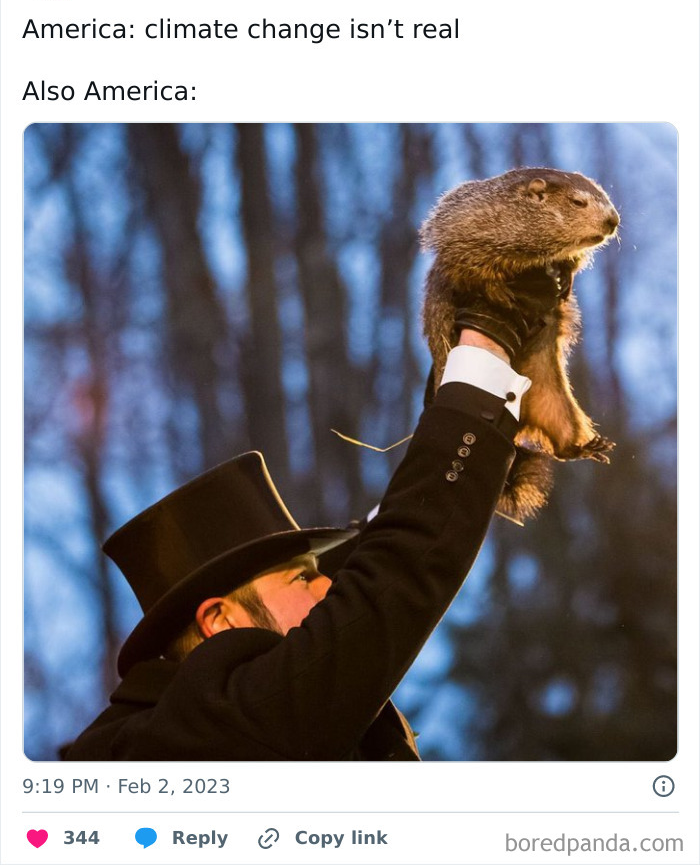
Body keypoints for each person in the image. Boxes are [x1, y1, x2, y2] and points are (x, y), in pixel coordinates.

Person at [64, 274, 561, 761]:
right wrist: (484, 350)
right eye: (303, 577)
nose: (327, 588)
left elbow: (367, 562)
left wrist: (466, 442)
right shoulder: (199, 736)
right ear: (221, 620)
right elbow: (387, 587)